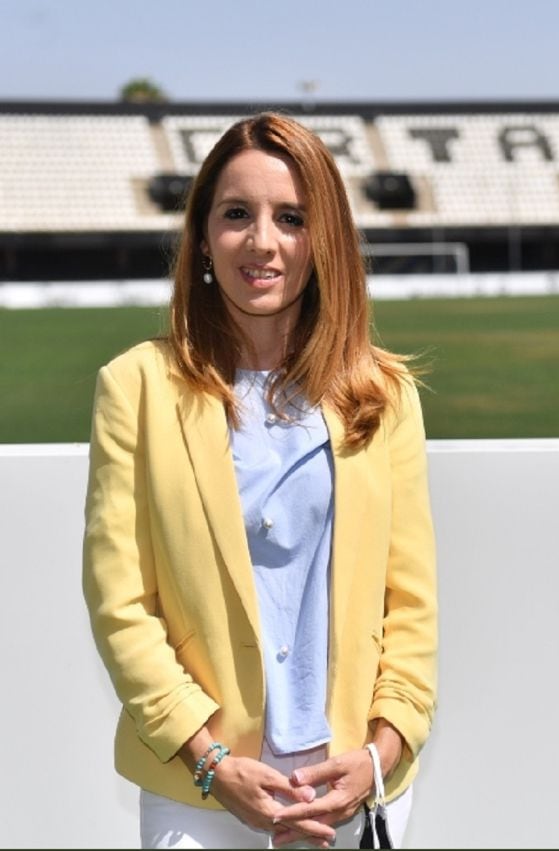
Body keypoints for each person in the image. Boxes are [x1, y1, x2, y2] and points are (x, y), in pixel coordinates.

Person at [82, 112, 438, 849]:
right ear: (204, 236)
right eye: (237, 214)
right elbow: (121, 600)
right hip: (202, 791)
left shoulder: (385, 393)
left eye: (291, 217)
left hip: (351, 787)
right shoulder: (136, 388)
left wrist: (381, 750)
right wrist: (211, 760)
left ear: (325, 239)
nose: (262, 241)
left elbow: (411, 601)